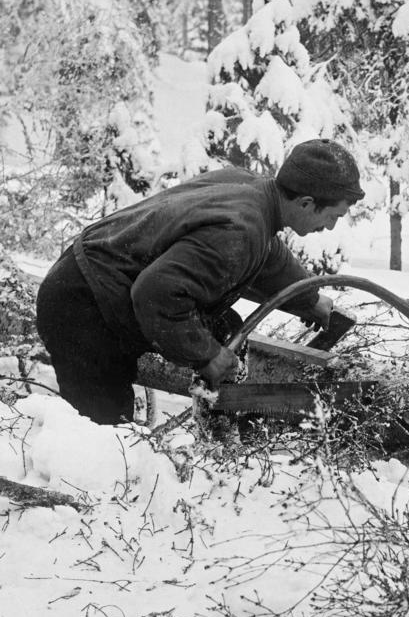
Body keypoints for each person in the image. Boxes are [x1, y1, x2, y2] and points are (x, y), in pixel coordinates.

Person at [36, 138, 364, 425]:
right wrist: (207, 355)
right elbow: (156, 295)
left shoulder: (251, 192)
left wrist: (308, 299)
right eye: (332, 216)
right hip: (83, 305)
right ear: (306, 203)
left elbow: (268, 256)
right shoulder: (243, 228)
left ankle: (219, 430)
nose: (331, 227)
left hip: (88, 278)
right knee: (102, 439)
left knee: (226, 326)